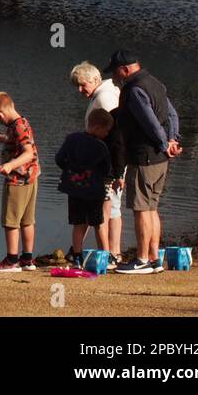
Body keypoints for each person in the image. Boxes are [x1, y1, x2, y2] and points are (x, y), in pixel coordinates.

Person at [105, 50, 182, 275]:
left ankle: (141, 260)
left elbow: (149, 121)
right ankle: (155, 259)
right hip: (160, 159)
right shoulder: (155, 83)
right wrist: (173, 140)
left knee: (141, 209)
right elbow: (172, 115)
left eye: (115, 71)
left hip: (144, 157)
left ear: (125, 69)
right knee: (151, 208)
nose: (114, 76)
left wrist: (164, 143)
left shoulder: (134, 89)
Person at [70, 61, 124, 258]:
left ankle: (111, 253)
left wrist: (118, 171)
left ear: (95, 79)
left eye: (82, 84)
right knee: (111, 208)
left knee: (108, 209)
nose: (79, 90)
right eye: (77, 85)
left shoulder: (105, 97)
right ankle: (111, 252)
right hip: (109, 164)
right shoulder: (103, 93)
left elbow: (116, 135)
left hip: (108, 166)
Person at [0, 91, 40, 272]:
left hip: (17, 180)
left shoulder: (17, 126)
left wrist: (9, 165)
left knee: (10, 221)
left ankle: (11, 260)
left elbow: (28, 153)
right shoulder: (21, 123)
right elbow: (16, 140)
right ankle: (27, 259)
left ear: (0, 115)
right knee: (27, 220)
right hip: (31, 178)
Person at [55, 109, 115, 264]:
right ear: (97, 128)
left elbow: (59, 159)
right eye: (106, 130)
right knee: (98, 223)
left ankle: (76, 255)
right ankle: (105, 255)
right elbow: (107, 169)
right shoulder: (101, 147)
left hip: (74, 189)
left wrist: (70, 170)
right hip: (94, 191)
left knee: (78, 223)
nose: (107, 134)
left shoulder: (71, 139)